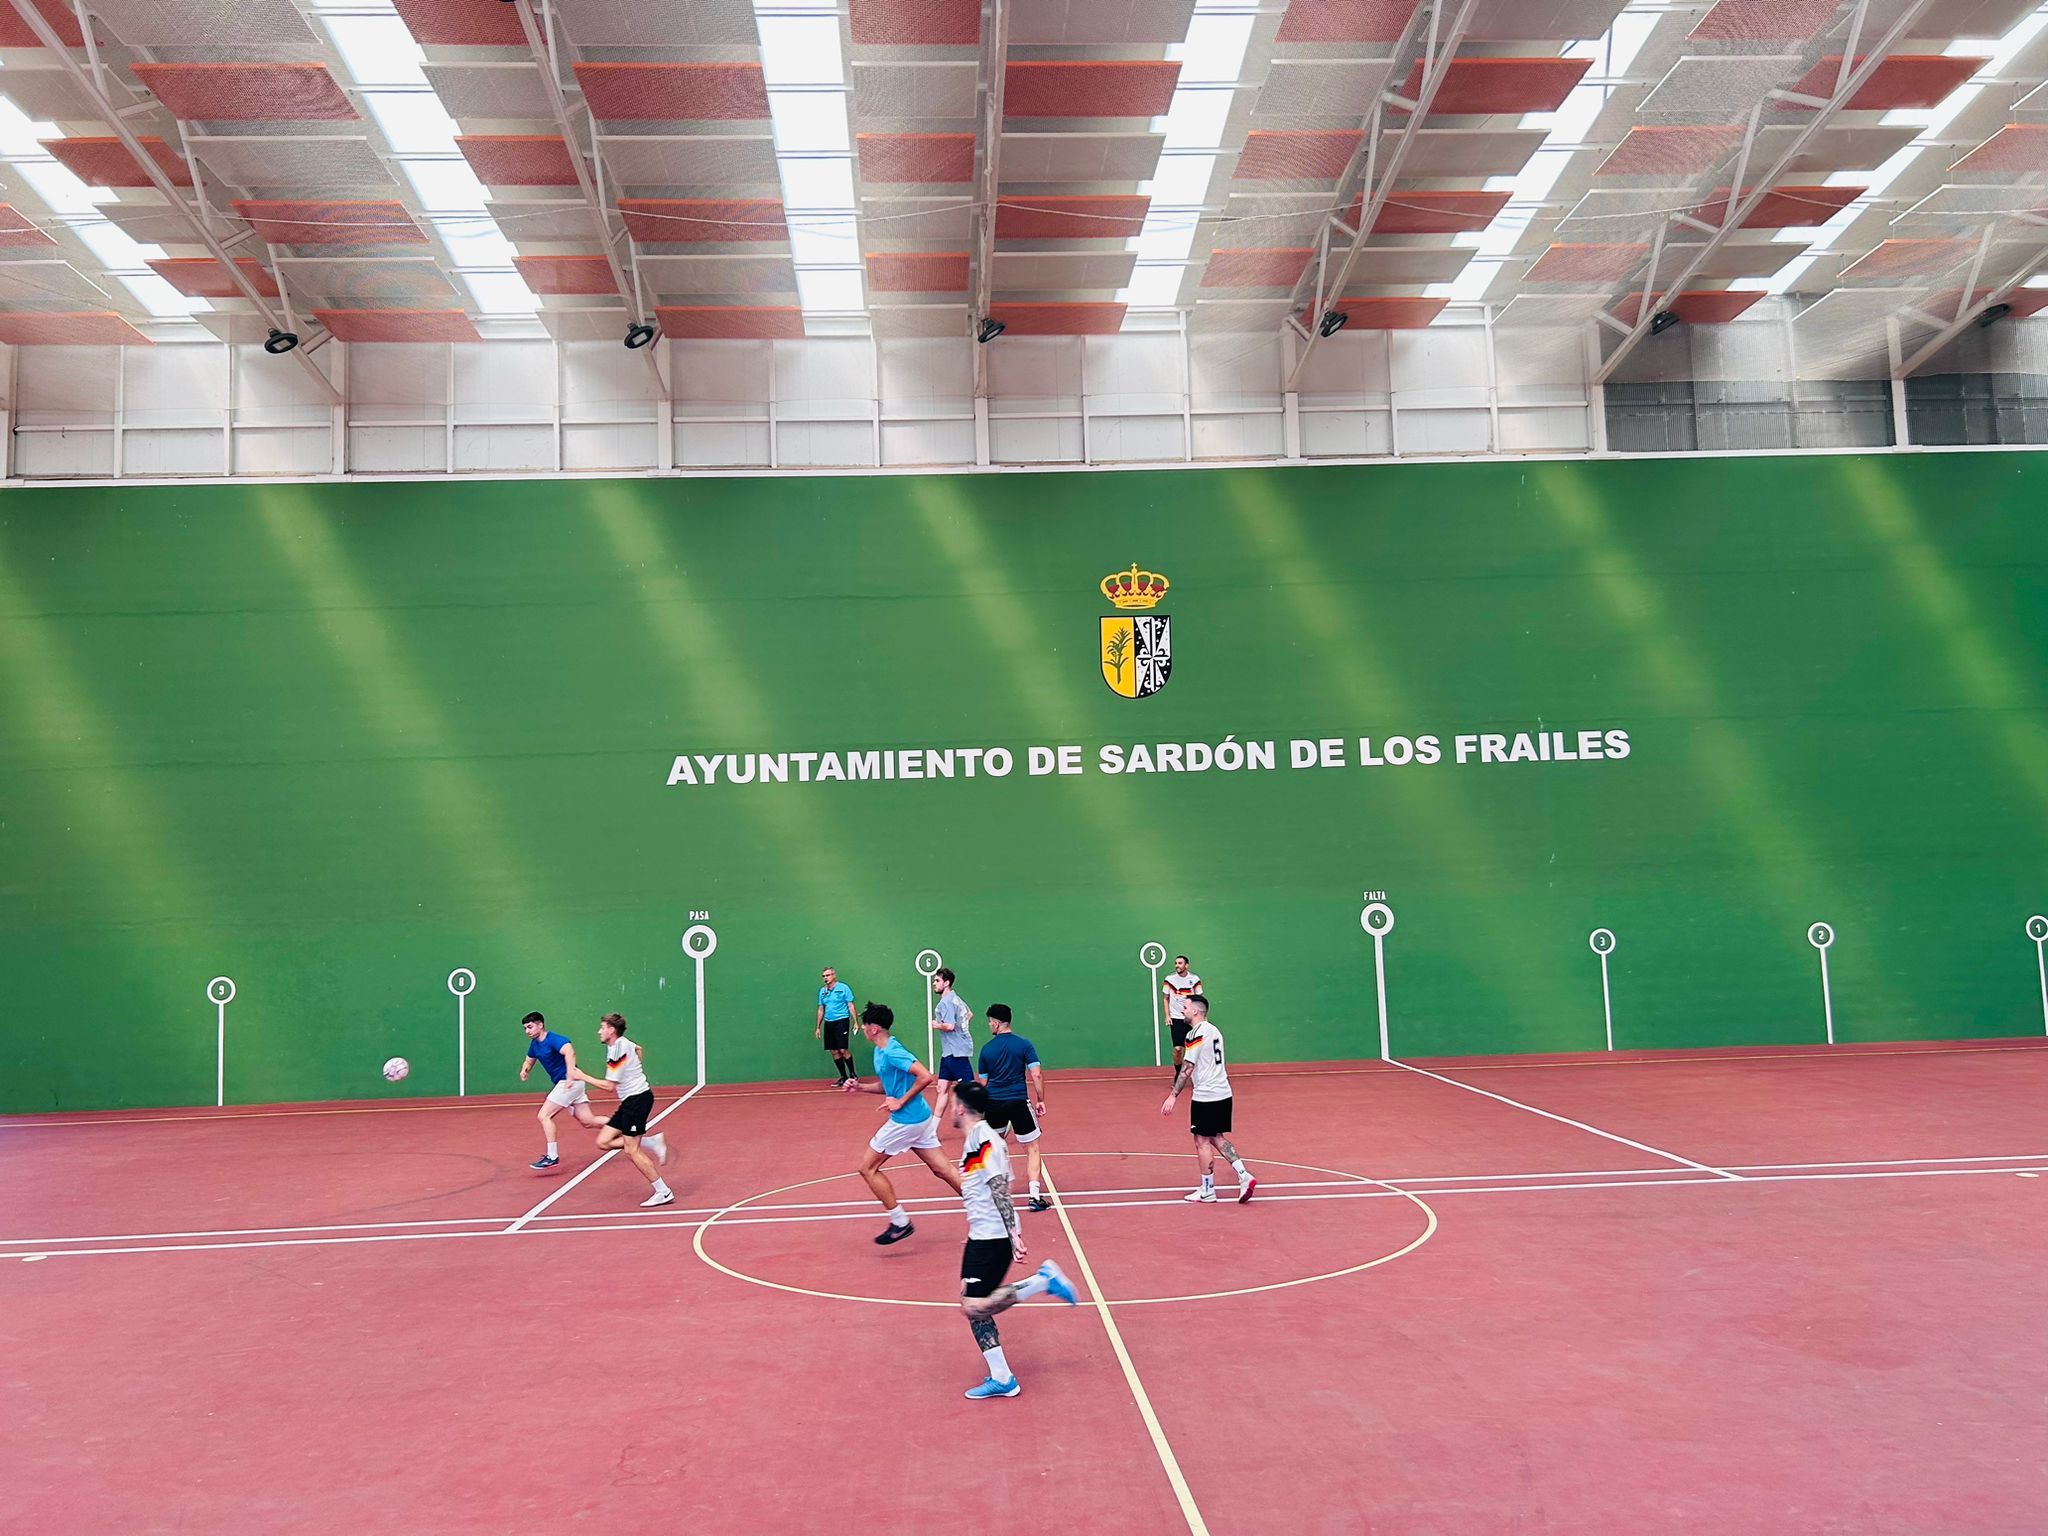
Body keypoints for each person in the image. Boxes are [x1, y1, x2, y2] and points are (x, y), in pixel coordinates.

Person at [952, 1080, 1078, 1399]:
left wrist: (1013, 1233)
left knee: (973, 1306)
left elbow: (998, 1188)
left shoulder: (984, 1140)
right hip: (979, 1235)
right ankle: (1002, 1377)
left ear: (961, 1107)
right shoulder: (976, 1139)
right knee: (972, 1300)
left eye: (954, 1103)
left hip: (991, 1238)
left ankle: (1041, 1282)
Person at [844, 1001, 961, 1243]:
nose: (863, 1030)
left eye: (865, 1026)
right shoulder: (880, 1051)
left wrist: (900, 1102)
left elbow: (926, 1076)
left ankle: (900, 1222)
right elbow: (888, 1087)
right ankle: (988, 1209)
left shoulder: (892, 1051)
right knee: (943, 1170)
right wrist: (861, 1087)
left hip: (906, 1121)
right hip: (920, 1119)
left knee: (867, 1168)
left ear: (874, 1028)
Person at [567, 1013, 673, 1208]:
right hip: (630, 1100)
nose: (599, 1031)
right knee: (603, 1141)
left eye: (602, 1027)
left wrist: (581, 1076)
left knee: (632, 1150)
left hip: (637, 1100)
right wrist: (635, 1070)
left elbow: (609, 1087)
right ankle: (651, 1142)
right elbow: (639, 1049)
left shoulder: (617, 1051)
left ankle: (663, 1191)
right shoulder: (623, 1043)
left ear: (611, 1030)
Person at [1159, 995, 1255, 1203]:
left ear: (1195, 1011)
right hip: (1223, 1092)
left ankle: (1207, 1190)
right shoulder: (1214, 1031)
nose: (1181, 1011)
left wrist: (1173, 1096)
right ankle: (1244, 1175)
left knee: (1201, 1140)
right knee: (1215, 1137)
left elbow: (1187, 1067)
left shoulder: (1196, 1033)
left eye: (1184, 1007)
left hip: (1206, 1095)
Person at [977, 1004, 1050, 1212]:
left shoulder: (986, 1050)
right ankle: (1034, 1197)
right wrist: (1040, 1099)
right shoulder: (1024, 1045)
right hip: (1018, 1102)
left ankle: (993, 1196)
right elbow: (1036, 1074)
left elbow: (982, 1084)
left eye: (990, 1021)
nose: (989, 1025)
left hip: (994, 1104)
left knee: (993, 1149)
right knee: (1032, 1148)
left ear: (998, 1023)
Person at [519, 1011, 602, 1170]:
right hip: (570, 1084)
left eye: (530, 1027)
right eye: (525, 1028)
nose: (527, 1031)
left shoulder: (553, 1039)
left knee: (544, 1115)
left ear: (540, 1025)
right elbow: (529, 1060)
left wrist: (570, 1073)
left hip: (569, 1082)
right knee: (588, 1121)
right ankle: (629, 1130)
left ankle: (552, 1156)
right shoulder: (535, 1044)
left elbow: (569, 1051)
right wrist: (525, 1070)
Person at [930, 966, 975, 1129]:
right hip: (949, 1052)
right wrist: (962, 1029)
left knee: (970, 1092)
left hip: (956, 1052)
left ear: (946, 983)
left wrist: (936, 1025)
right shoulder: (957, 999)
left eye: (937, 981)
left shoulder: (947, 1002)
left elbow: (949, 1026)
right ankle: (932, 1130)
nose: (934, 984)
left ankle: (991, 1123)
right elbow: (969, 1015)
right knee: (942, 1088)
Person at [816, 966, 857, 1086]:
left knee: (843, 1049)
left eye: (828, 975)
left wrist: (855, 1022)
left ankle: (853, 1074)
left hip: (842, 1020)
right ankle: (843, 1077)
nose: (825, 978)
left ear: (834, 975)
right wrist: (818, 1027)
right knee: (834, 1051)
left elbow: (850, 1005)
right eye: (823, 976)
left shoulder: (844, 988)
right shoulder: (822, 991)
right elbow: (820, 1009)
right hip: (829, 1022)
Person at [1163, 954, 1202, 1080]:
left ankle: (1197, 1076)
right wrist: (1167, 1015)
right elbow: (1165, 998)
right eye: (1176, 963)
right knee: (1178, 1049)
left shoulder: (1195, 979)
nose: (1177, 966)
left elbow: (1199, 999)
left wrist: (1202, 1017)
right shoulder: (1169, 979)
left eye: (1180, 963)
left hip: (1192, 1019)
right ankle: (1179, 1074)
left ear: (1186, 965)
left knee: (1194, 1049)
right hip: (1176, 1018)